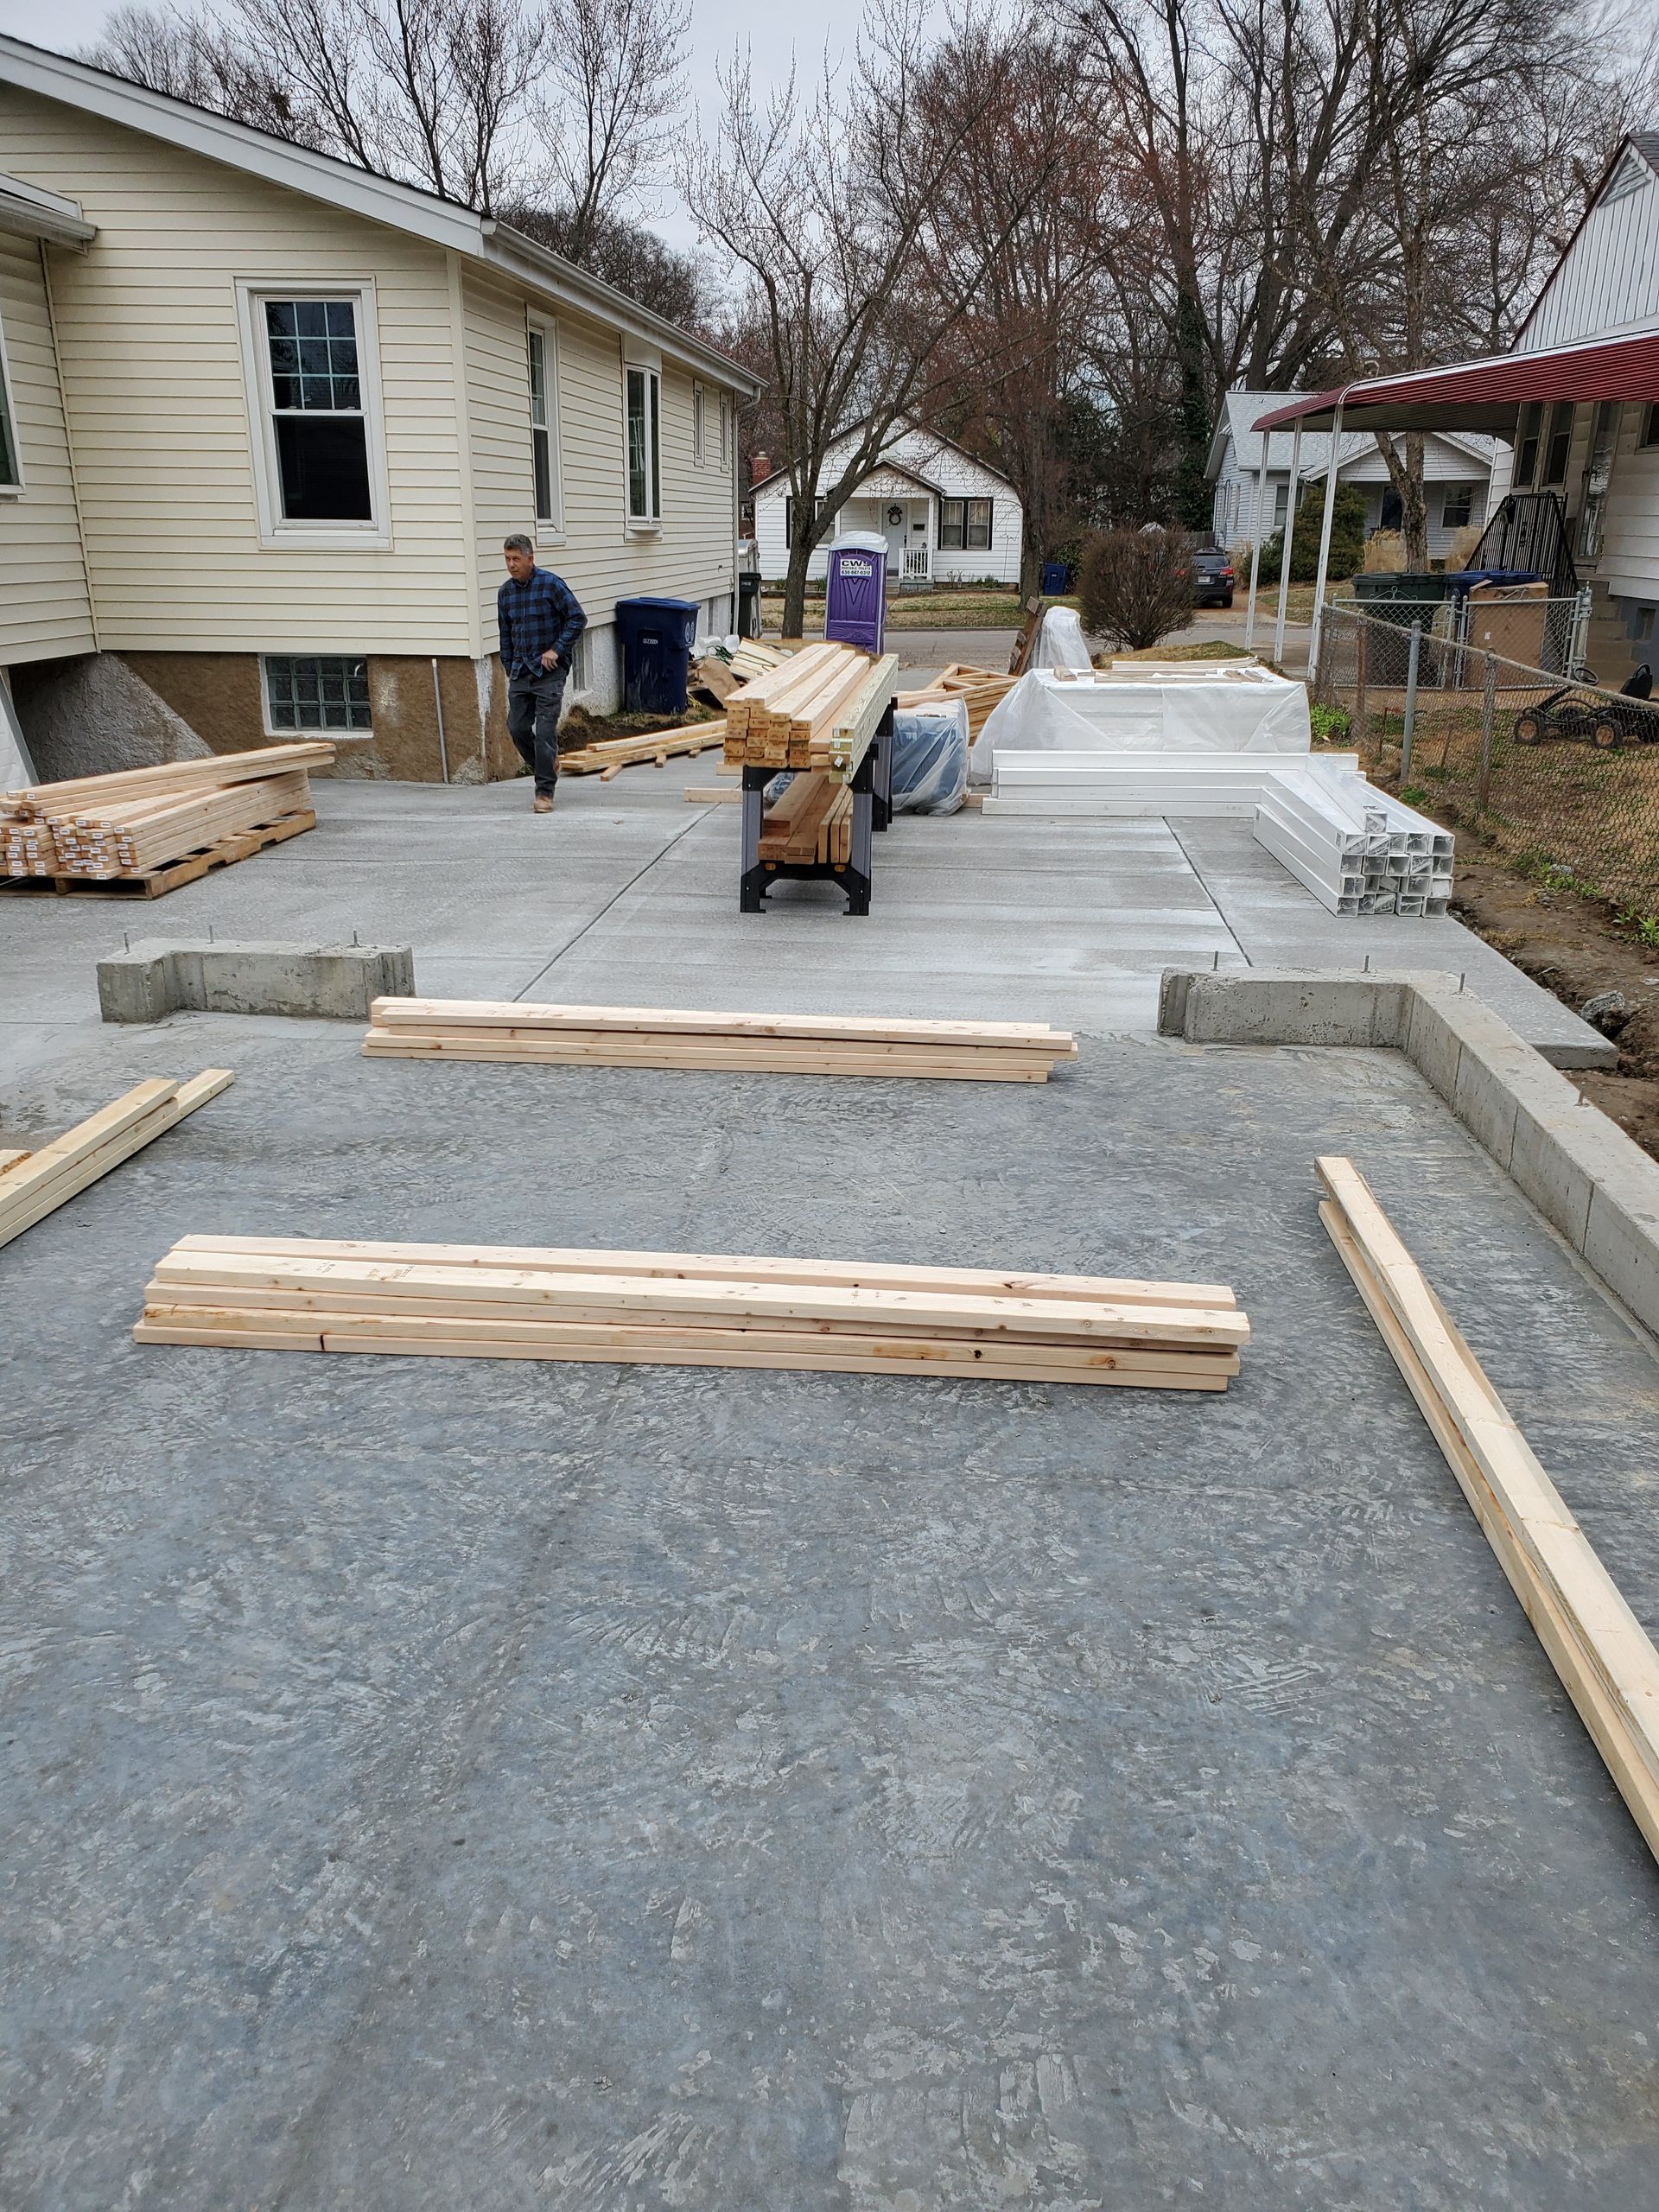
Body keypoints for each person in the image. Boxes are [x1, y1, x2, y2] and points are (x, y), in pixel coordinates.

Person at [498, 534, 586, 813]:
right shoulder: (505, 594)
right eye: (507, 559)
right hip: (520, 670)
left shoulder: (551, 586)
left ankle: (544, 792)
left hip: (549, 671)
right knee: (517, 727)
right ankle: (547, 764)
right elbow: (505, 634)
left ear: (530, 559)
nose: (512, 565)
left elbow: (577, 618)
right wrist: (508, 665)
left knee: (545, 731)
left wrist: (557, 650)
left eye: (516, 559)